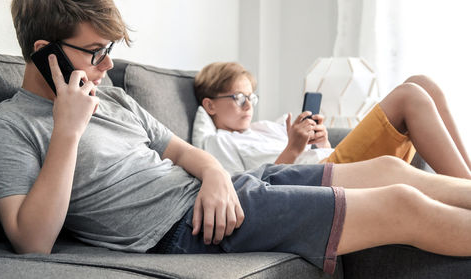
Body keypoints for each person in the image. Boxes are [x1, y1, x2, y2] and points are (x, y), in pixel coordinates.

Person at [0, 0, 471, 276]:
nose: (107, 65)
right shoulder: (8, 127)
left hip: (226, 190)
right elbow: (32, 241)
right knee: (401, 201)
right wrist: (67, 130)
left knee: (390, 170)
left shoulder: (119, 101)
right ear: (45, 53)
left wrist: (214, 173)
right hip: (184, 227)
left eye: (110, 51)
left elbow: (184, 151)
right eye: (94, 53)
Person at [193, 62, 471, 179]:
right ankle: (465, 191)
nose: (248, 106)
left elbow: (311, 154)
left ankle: (467, 180)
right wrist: (292, 149)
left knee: (422, 83)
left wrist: (320, 141)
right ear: (210, 105)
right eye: (239, 98)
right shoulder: (217, 144)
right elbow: (250, 191)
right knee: (409, 95)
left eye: (251, 98)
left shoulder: (263, 127)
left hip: (331, 160)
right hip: (323, 178)